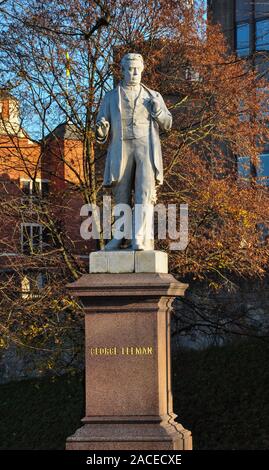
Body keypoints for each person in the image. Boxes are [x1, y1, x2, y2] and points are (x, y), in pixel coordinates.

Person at [96, 52, 172, 250]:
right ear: (122, 71)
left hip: (146, 147)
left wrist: (158, 111)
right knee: (121, 194)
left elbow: (168, 123)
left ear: (143, 69)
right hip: (121, 147)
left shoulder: (153, 96)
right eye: (130, 69)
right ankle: (119, 237)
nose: (134, 73)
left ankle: (139, 237)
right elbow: (101, 125)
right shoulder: (111, 96)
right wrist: (102, 129)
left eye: (138, 69)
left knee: (144, 193)